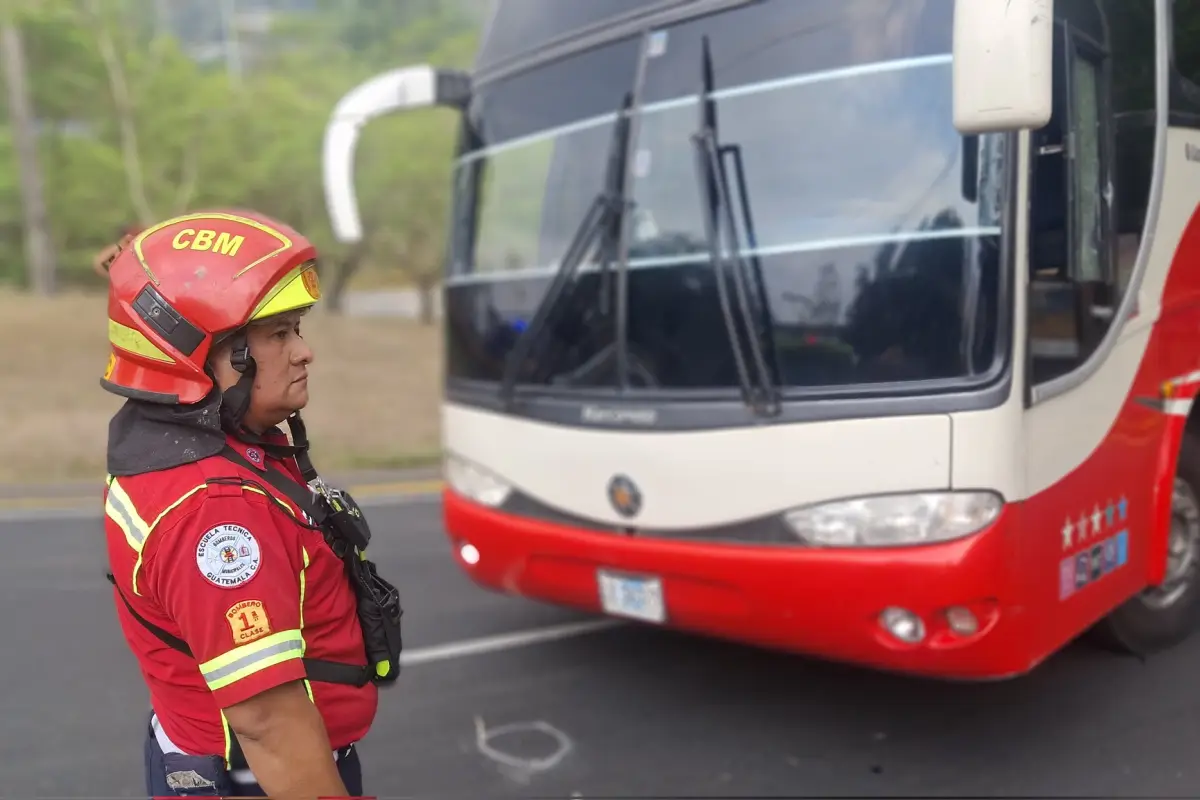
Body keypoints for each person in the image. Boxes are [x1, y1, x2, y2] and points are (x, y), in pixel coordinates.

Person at [100, 210, 404, 798]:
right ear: (207, 353)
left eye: (298, 329)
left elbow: (172, 316)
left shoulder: (173, 431)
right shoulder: (218, 517)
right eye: (279, 334)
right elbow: (268, 725)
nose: (304, 351)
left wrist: (150, 270)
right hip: (254, 777)